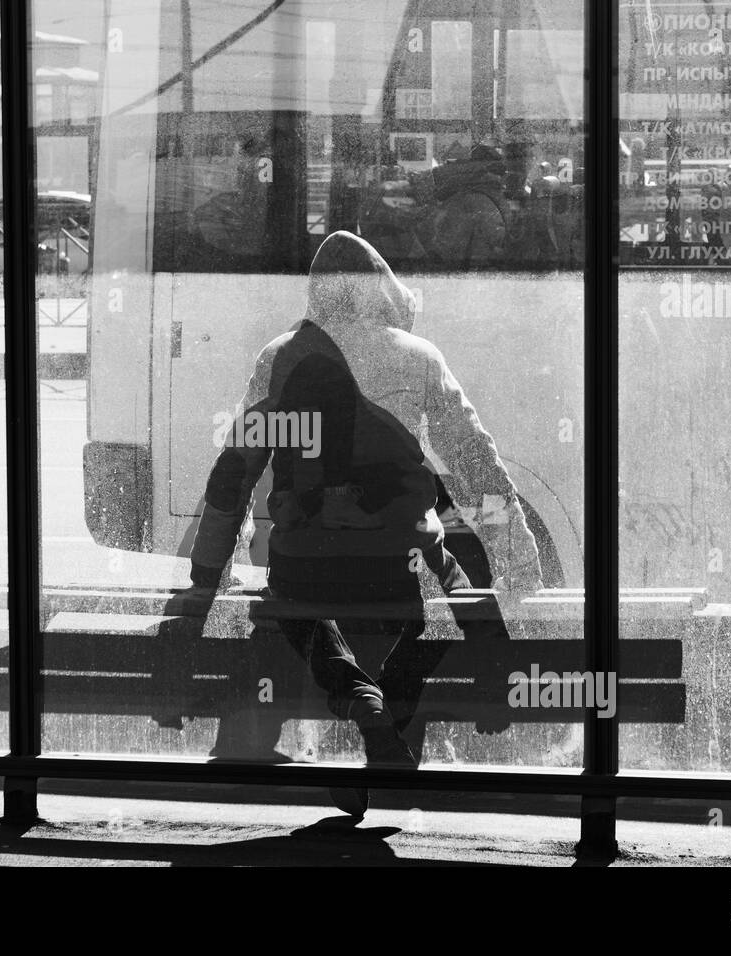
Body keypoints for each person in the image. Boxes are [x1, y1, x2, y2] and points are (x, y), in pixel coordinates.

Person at [186, 230, 543, 807]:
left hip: (303, 570)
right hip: (392, 572)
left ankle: (323, 720)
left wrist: (206, 577)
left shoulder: (281, 358)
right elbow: (478, 465)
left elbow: (233, 476)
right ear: (379, 290)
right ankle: (386, 746)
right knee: (413, 605)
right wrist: (519, 560)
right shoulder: (419, 358)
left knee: (286, 617)